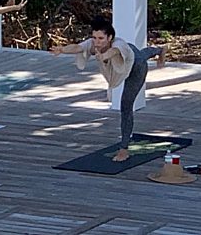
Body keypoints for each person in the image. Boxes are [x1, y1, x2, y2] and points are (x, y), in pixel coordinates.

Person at [50, 16, 166, 162]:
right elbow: (78, 47)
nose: (97, 42)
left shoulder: (118, 44)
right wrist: (62, 49)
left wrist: (103, 56)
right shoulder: (94, 44)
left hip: (136, 68)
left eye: (101, 38)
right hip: (128, 58)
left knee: (126, 105)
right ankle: (160, 50)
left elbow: (114, 53)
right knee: (143, 53)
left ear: (110, 37)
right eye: (94, 38)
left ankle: (124, 149)